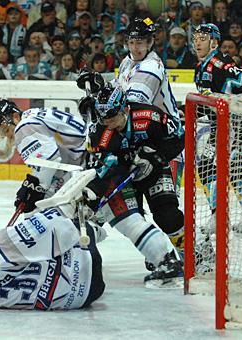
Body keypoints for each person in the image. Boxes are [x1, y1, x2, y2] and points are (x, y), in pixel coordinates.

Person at [76, 17, 186, 252]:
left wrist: (96, 98)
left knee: (165, 212)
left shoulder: (152, 68)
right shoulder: (128, 62)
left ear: (151, 42)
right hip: (133, 142)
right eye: (132, 42)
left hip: (163, 143)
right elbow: (115, 97)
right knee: (129, 204)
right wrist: (98, 83)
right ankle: (156, 249)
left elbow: (132, 105)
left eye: (141, 43)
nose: (136, 48)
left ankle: (190, 252)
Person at [81, 83, 184, 283]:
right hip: (124, 177)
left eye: (113, 117)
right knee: (134, 218)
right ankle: (160, 255)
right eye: (104, 118)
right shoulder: (99, 132)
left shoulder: (150, 116)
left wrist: (157, 156)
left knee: (168, 216)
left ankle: (195, 254)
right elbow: (104, 170)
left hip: (155, 170)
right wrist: (93, 199)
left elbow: (180, 137)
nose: (108, 123)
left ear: (125, 108)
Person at [0, 203, 105, 310]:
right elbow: (51, 224)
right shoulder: (1, 244)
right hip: (87, 263)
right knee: (81, 213)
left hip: (84, 299)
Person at [192, 23, 242, 233]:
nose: (197, 41)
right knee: (210, 167)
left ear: (214, 41)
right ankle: (239, 215)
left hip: (238, 125)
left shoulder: (222, 62)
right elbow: (208, 104)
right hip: (221, 126)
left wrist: (226, 98)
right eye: (196, 37)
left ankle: (226, 216)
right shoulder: (201, 67)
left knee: (227, 170)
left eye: (203, 38)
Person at [0, 99, 87, 214]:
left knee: (38, 211)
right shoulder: (33, 114)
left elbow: (49, 162)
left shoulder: (23, 126)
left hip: (84, 165)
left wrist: (36, 189)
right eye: (2, 133)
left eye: (6, 130)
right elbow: (54, 159)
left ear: (15, 117)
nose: (7, 136)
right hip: (88, 158)